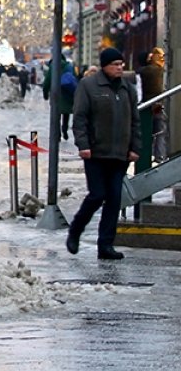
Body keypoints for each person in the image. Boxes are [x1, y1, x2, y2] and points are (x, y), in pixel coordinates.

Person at [68, 47, 139, 261]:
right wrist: (83, 144)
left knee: (115, 199)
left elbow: (135, 120)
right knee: (97, 195)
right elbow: (80, 118)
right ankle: (76, 230)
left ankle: (106, 244)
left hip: (119, 154)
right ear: (105, 66)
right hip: (96, 152)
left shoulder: (128, 89)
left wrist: (135, 147)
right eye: (115, 65)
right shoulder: (89, 86)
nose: (120, 68)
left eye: (121, 64)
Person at [137, 47, 166, 163]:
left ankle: (147, 154)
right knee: (160, 131)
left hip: (145, 105)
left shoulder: (141, 71)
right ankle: (159, 156)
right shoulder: (156, 70)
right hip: (157, 105)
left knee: (146, 132)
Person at [43, 56, 78, 139]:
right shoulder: (69, 66)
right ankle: (65, 130)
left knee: (56, 115)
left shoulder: (52, 67)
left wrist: (45, 93)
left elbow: (47, 81)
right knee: (66, 113)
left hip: (56, 94)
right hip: (68, 93)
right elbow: (75, 79)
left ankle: (57, 134)